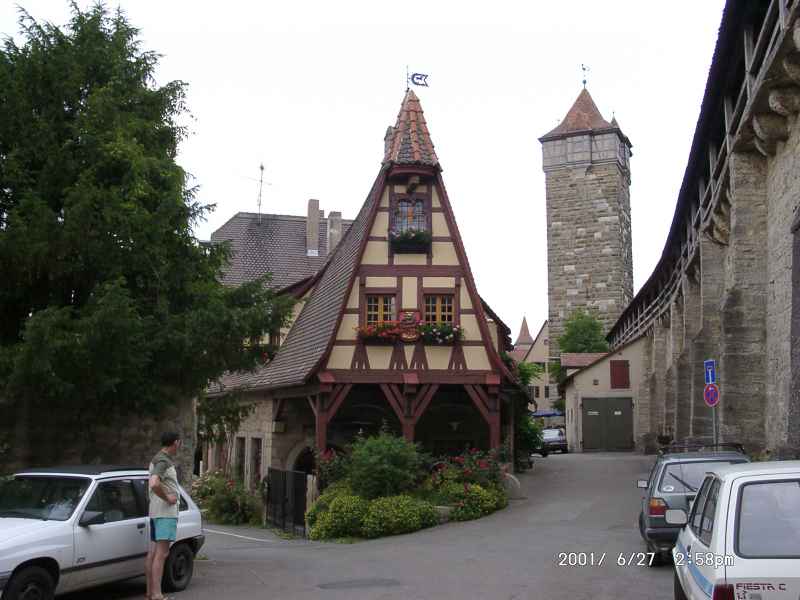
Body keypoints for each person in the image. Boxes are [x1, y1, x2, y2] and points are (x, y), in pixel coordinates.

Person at [144, 432, 181, 600]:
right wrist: (168, 497)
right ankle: (157, 595)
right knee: (162, 553)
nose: (179, 446)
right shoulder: (164, 461)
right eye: (179, 443)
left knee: (153, 553)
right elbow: (154, 483)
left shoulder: (156, 458)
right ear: (175, 443)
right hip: (165, 514)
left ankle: (150, 592)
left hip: (155, 512)